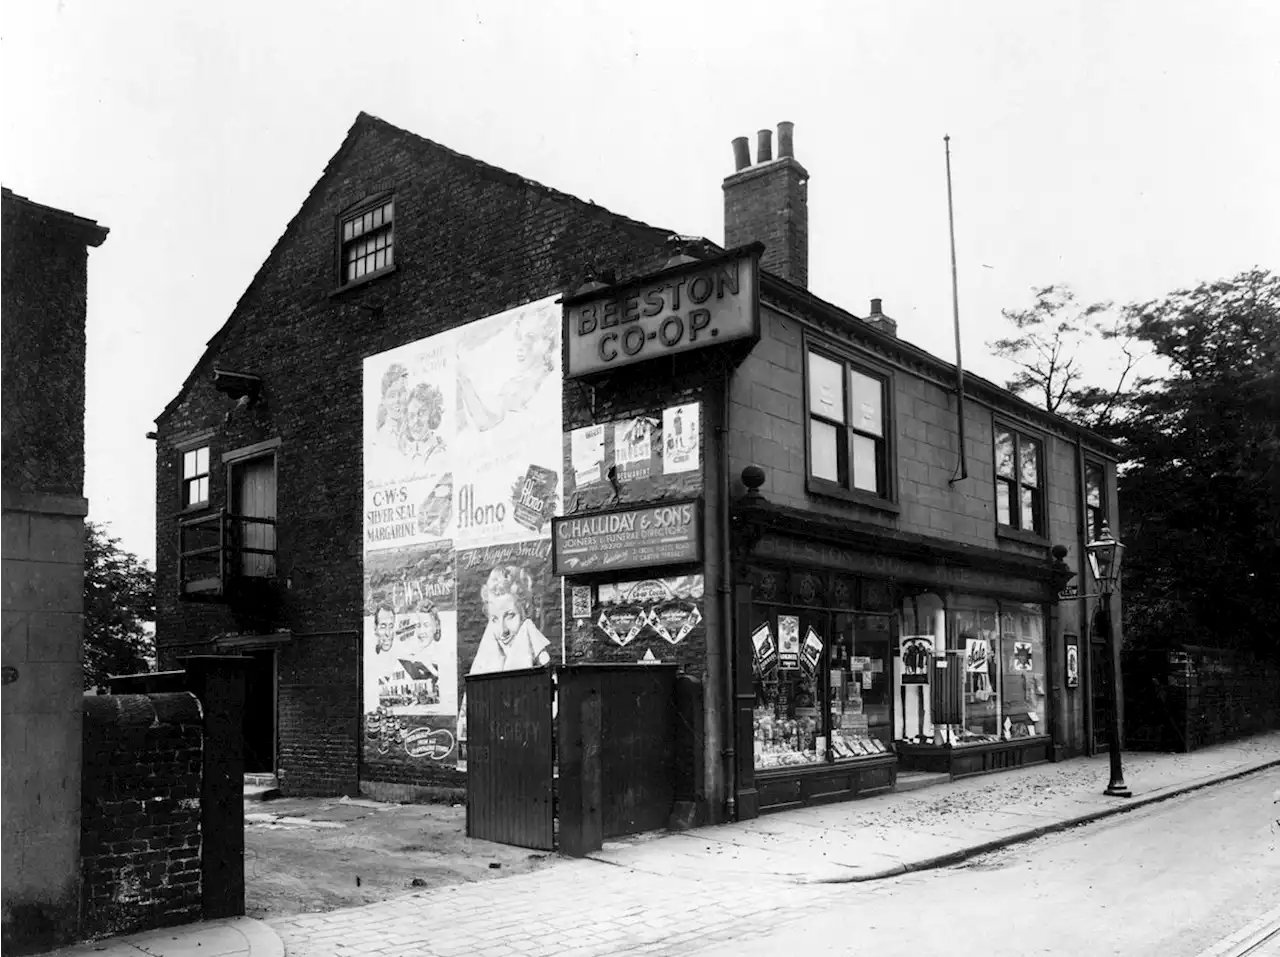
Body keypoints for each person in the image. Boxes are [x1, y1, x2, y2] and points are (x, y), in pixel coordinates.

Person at [468, 565, 551, 675]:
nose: (503, 631)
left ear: (525, 611)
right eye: (494, 619)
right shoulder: (487, 652)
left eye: (510, 616)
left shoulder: (529, 632)